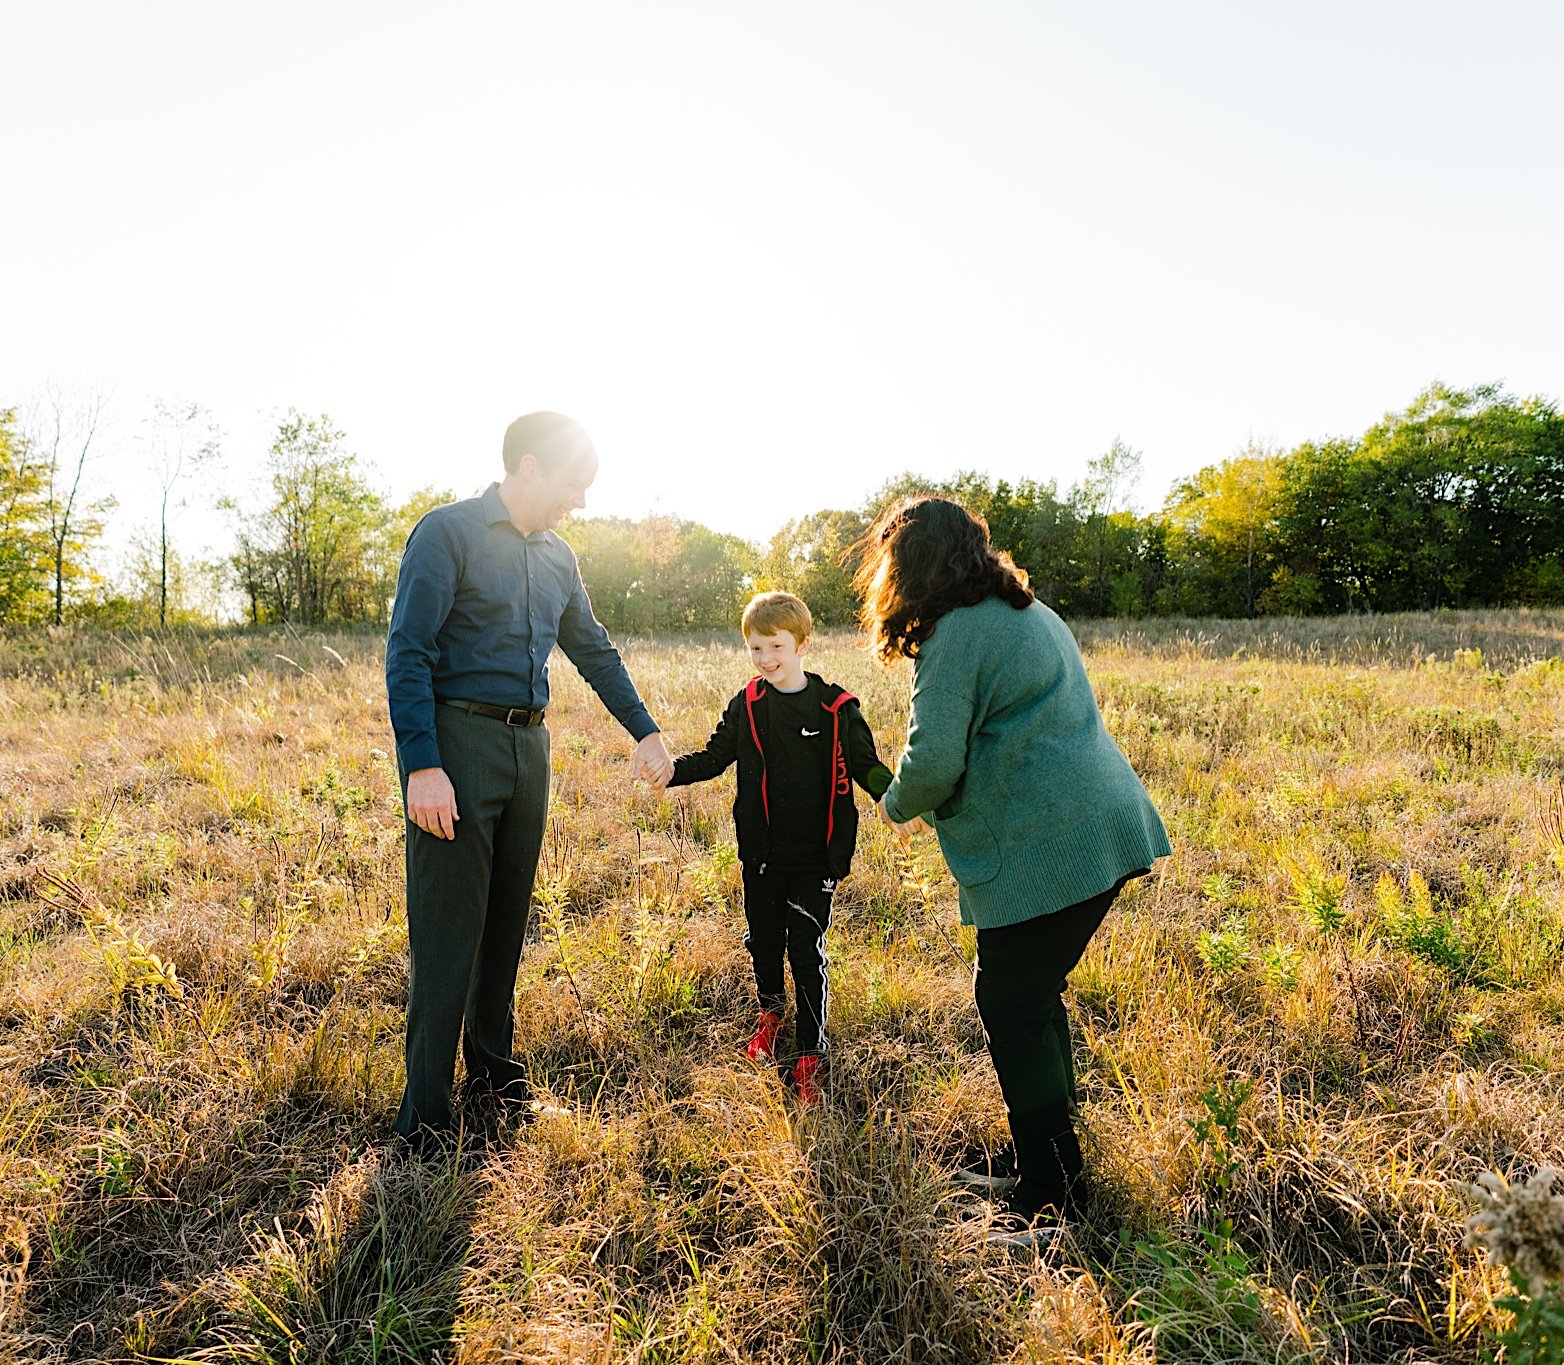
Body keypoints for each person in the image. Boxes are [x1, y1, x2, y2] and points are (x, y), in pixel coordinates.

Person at [860, 497, 1172, 1227]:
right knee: (1031, 994)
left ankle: (1053, 1194)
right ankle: (1048, 1159)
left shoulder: (956, 630)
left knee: (1011, 999)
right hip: (1099, 825)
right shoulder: (1024, 608)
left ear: (910, 565)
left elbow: (934, 759)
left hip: (1052, 844)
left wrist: (895, 803)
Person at [385, 411, 674, 1149]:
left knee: (506, 922)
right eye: (573, 486)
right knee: (449, 931)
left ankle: (491, 1077)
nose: (578, 503)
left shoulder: (559, 557)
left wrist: (644, 728)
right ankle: (425, 1118)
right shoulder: (446, 533)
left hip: (529, 748)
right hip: (456, 742)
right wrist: (422, 764)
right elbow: (409, 652)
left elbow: (593, 649)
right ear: (530, 467)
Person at [656, 591, 893, 1104]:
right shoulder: (749, 703)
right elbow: (717, 755)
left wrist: (894, 796)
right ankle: (771, 1015)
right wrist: (671, 771)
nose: (765, 659)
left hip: (816, 857)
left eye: (776, 646)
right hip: (760, 854)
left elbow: (865, 762)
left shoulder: (835, 707)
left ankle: (810, 1054)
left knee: (805, 951)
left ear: (802, 644)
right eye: (756, 649)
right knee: (763, 942)